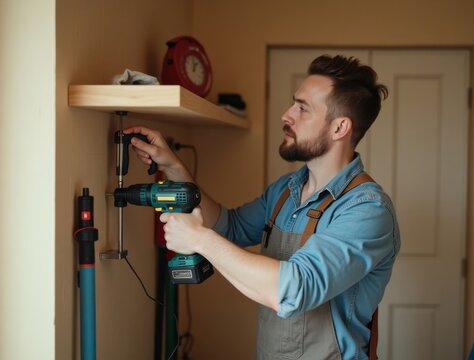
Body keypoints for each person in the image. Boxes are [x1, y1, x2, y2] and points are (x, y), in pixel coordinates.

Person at [125, 54, 400, 360]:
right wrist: (174, 166)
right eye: (292, 103)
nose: (286, 114)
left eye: (302, 109)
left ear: (340, 128)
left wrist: (199, 239)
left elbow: (294, 291)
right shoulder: (286, 190)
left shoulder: (366, 210)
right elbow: (230, 228)